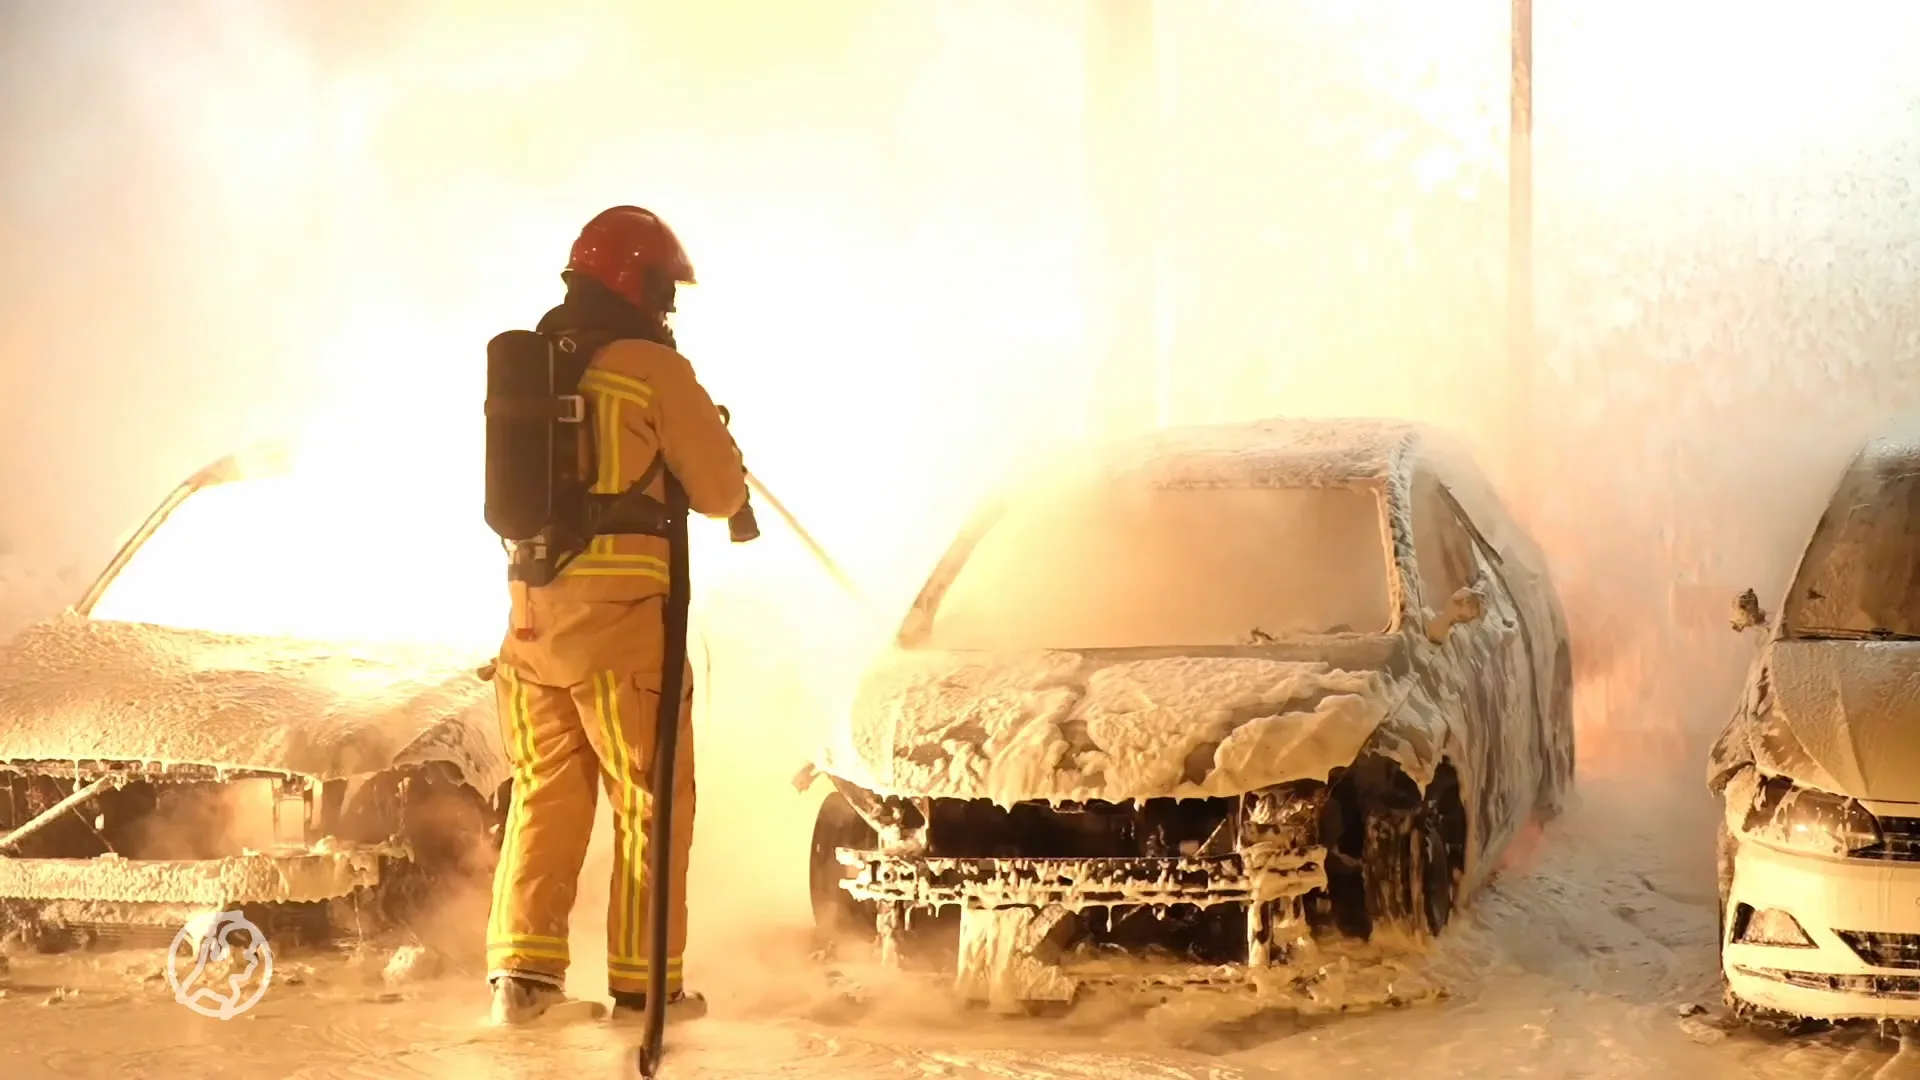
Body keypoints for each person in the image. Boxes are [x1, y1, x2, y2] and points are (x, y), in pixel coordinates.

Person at [486, 206, 747, 1026]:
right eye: (665, 291)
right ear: (640, 283)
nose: (669, 308)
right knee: (650, 800)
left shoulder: (538, 364)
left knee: (545, 798)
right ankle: (643, 989)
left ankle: (522, 986)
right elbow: (720, 494)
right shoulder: (650, 368)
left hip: (530, 630)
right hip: (622, 634)